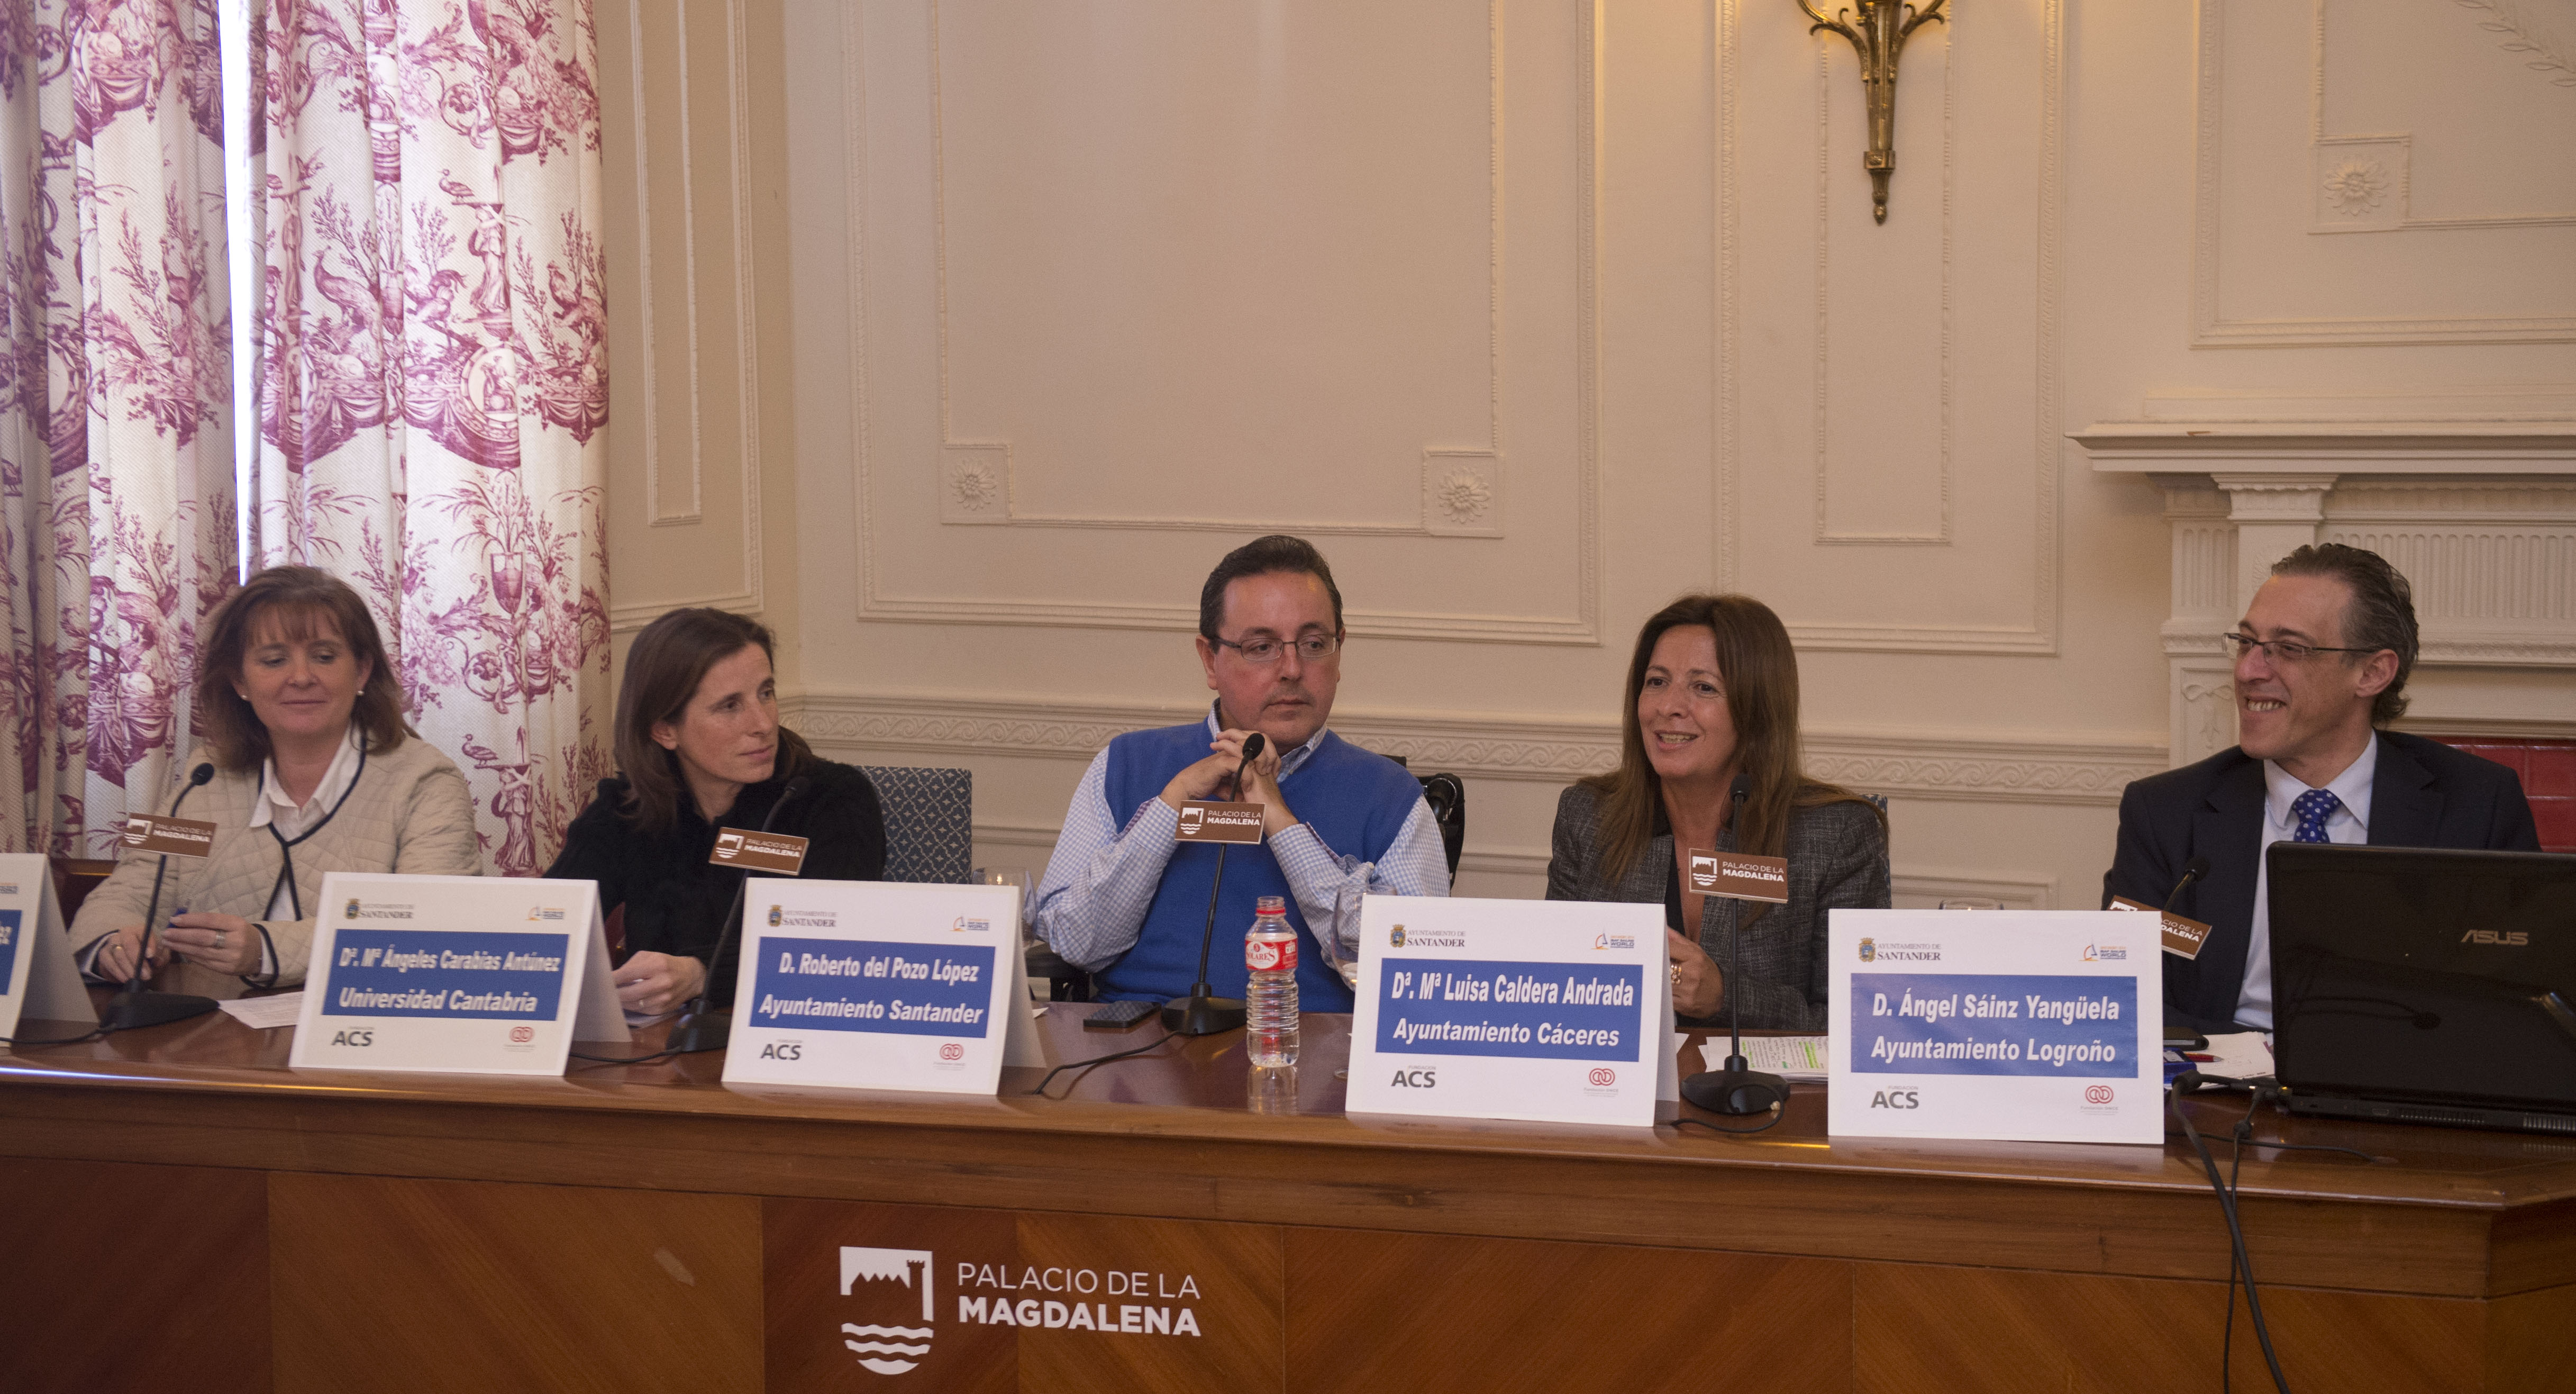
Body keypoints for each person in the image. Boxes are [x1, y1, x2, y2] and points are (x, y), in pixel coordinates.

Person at [2105, 544, 2539, 1034]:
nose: (2249, 671)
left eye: (2288, 649)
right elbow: (2124, 990)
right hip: (2219, 1087)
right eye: (2246, 642)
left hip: (2397, 1089)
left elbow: (2515, 1000)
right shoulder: (2164, 812)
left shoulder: (2476, 804)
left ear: (2372, 673)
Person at [1031, 535, 1448, 1011]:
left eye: (1314, 644)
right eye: (1261, 647)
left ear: (1339, 652)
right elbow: (1073, 944)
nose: (1292, 668)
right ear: (1210, 659)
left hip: (1313, 1052)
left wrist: (1281, 822)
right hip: (1137, 1047)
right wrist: (1170, 807)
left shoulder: (1390, 797)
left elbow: (1414, 968)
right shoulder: (1124, 765)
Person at [72, 566, 483, 998]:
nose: (301, 677)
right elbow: (130, 889)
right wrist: (114, 942)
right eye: (274, 660)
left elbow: (427, 934)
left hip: (363, 1034)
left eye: (325, 657)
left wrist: (265, 951)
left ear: (361, 672)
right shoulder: (202, 775)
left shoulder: (427, 782)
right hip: (212, 1043)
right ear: (239, 681)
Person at [1546, 594, 1888, 1031]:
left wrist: (1726, 997)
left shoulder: (1835, 834)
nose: (1668, 706)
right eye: (1656, 682)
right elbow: (1557, 988)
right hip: (1620, 1089)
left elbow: (1859, 1022)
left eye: (1703, 687)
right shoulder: (1589, 816)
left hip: (1769, 1095)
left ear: (1756, 710)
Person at [547, 609, 885, 1013]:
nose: (762, 723)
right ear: (664, 730)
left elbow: (831, 950)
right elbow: (547, 927)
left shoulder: (829, 800)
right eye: (729, 706)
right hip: (656, 1052)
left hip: (790, 1033)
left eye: (765, 692)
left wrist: (702, 973)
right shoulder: (628, 810)